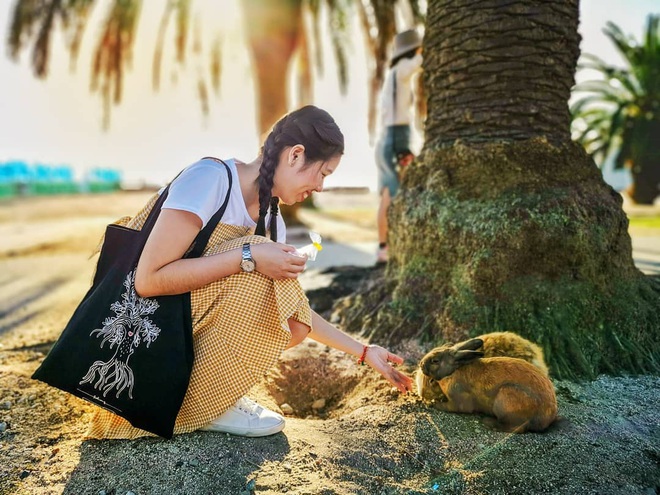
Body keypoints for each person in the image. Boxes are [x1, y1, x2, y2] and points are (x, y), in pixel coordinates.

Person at [85, 105, 413, 440]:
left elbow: (294, 307)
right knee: (257, 269)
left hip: (180, 325)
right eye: (323, 173)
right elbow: (148, 279)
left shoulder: (273, 222)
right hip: (135, 330)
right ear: (296, 155)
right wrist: (248, 255)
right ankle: (199, 402)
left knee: (292, 321)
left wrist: (362, 351)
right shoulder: (211, 179)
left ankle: (207, 393)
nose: (320, 188)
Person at [375, 29, 424, 264]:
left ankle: (383, 249)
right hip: (396, 140)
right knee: (397, 196)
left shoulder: (393, 73)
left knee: (387, 196)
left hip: (385, 141)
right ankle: (396, 246)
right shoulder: (404, 68)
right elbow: (423, 61)